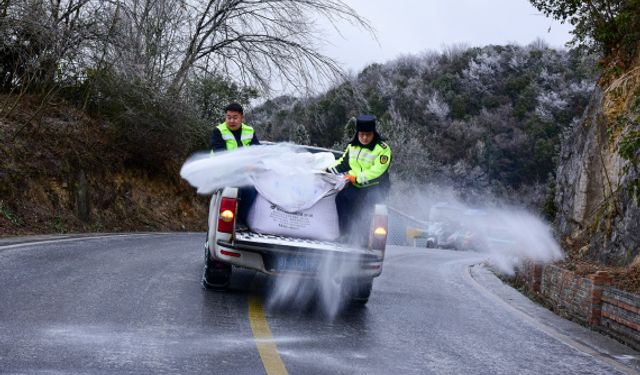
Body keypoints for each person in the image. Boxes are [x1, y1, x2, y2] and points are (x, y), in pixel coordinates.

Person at [329, 114, 391, 241]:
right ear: (357, 133)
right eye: (362, 134)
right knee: (342, 199)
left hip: (376, 187)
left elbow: (377, 171)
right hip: (357, 185)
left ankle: (365, 238)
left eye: (368, 134)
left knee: (367, 206)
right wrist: (327, 170)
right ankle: (345, 234)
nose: (364, 137)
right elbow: (343, 163)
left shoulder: (383, 149)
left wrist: (356, 178)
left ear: (373, 133)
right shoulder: (352, 147)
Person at [210, 102, 260, 226]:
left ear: (242, 118)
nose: (231, 120)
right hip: (222, 173)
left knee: (253, 190)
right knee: (234, 192)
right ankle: (228, 222)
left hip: (243, 173)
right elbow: (220, 154)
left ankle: (243, 220)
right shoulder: (219, 131)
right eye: (228, 117)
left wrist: (256, 164)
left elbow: (257, 151)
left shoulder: (249, 131)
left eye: (235, 117)